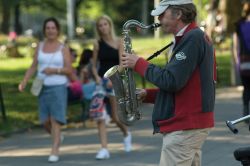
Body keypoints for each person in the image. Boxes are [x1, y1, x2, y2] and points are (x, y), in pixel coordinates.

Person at [121, 0, 216, 165]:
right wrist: (148, 94)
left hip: (185, 126)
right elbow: (183, 86)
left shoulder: (192, 38)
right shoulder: (192, 36)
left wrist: (138, 63)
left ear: (178, 14)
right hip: (190, 124)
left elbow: (172, 81)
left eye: (162, 14)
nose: (158, 19)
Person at [18, 17, 72, 163]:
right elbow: (33, 66)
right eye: (48, 28)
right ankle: (57, 137)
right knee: (45, 121)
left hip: (59, 87)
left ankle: (55, 149)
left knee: (56, 119)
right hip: (42, 87)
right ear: (44, 30)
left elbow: (69, 69)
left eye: (53, 28)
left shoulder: (63, 48)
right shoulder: (40, 46)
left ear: (57, 30)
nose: (50, 30)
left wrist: (55, 70)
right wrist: (24, 80)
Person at [92, 15, 132, 159]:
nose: (103, 28)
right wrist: (96, 77)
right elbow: (93, 65)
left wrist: (113, 78)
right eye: (100, 25)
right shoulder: (97, 44)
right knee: (99, 116)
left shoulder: (119, 42)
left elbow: (122, 64)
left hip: (114, 81)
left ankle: (126, 133)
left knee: (115, 117)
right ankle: (104, 149)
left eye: (105, 24)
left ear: (110, 25)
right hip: (101, 84)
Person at [233, 1, 250, 120]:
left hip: (244, 61)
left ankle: (245, 113)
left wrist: (236, 61)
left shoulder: (239, 25)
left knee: (247, 88)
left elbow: (235, 45)